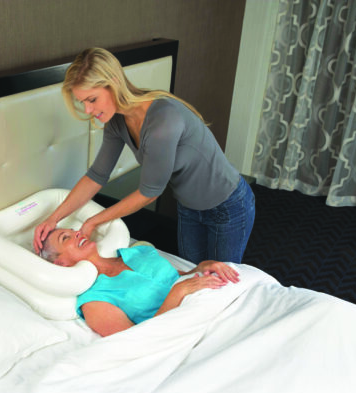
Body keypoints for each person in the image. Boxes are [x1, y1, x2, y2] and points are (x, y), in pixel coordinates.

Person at [33, 47, 255, 265]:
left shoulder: (162, 122)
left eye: (92, 99)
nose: (88, 110)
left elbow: (150, 193)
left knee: (222, 285)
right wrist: (54, 218)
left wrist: (94, 221)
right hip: (188, 208)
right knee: (194, 276)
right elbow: (97, 175)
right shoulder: (116, 121)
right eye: (83, 102)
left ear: (114, 82)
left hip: (226, 205)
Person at [39, 228, 239, 337]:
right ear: (61, 263)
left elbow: (182, 279)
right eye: (66, 238)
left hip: (216, 301)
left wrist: (203, 267)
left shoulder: (138, 251)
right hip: (189, 328)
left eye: (73, 230)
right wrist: (176, 294)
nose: (77, 233)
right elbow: (135, 341)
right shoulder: (94, 299)